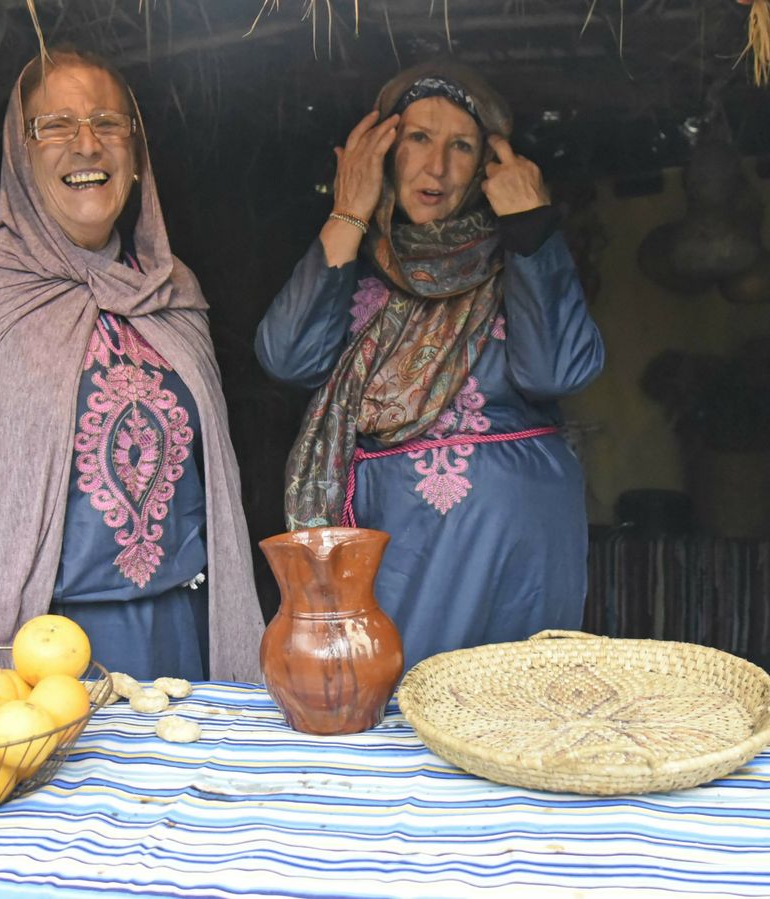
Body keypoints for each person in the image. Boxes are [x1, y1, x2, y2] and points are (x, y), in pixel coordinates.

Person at [0, 48, 264, 683]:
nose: (86, 145)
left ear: (137, 150)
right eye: (56, 125)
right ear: (20, 150)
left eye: (108, 122)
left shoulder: (170, 289)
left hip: (184, 633)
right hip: (39, 652)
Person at [255, 61, 605, 672]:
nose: (437, 168)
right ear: (384, 151)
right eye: (418, 138)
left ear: (488, 167)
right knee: (393, 717)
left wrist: (532, 230)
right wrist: (349, 211)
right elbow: (288, 359)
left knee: (507, 729)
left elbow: (559, 373)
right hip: (398, 552)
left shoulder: (519, 257)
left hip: (513, 555)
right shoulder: (357, 261)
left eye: (461, 146)